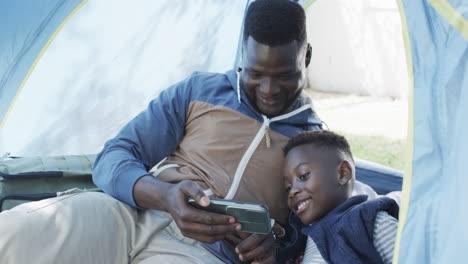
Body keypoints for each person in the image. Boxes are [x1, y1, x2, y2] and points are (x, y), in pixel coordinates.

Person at [0, 1, 397, 263]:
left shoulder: (313, 146)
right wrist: (166, 196)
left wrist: (275, 249)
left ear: (306, 58)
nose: (270, 90)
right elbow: (115, 156)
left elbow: (312, 236)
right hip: (129, 213)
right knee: (16, 233)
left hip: (202, 254)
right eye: (255, 74)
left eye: (286, 76)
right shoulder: (200, 90)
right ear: (240, 53)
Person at [280, 130, 399, 264]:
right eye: (288, 187)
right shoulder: (300, 240)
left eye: (303, 176)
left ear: (343, 173)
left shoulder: (373, 223)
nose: (292, 192)